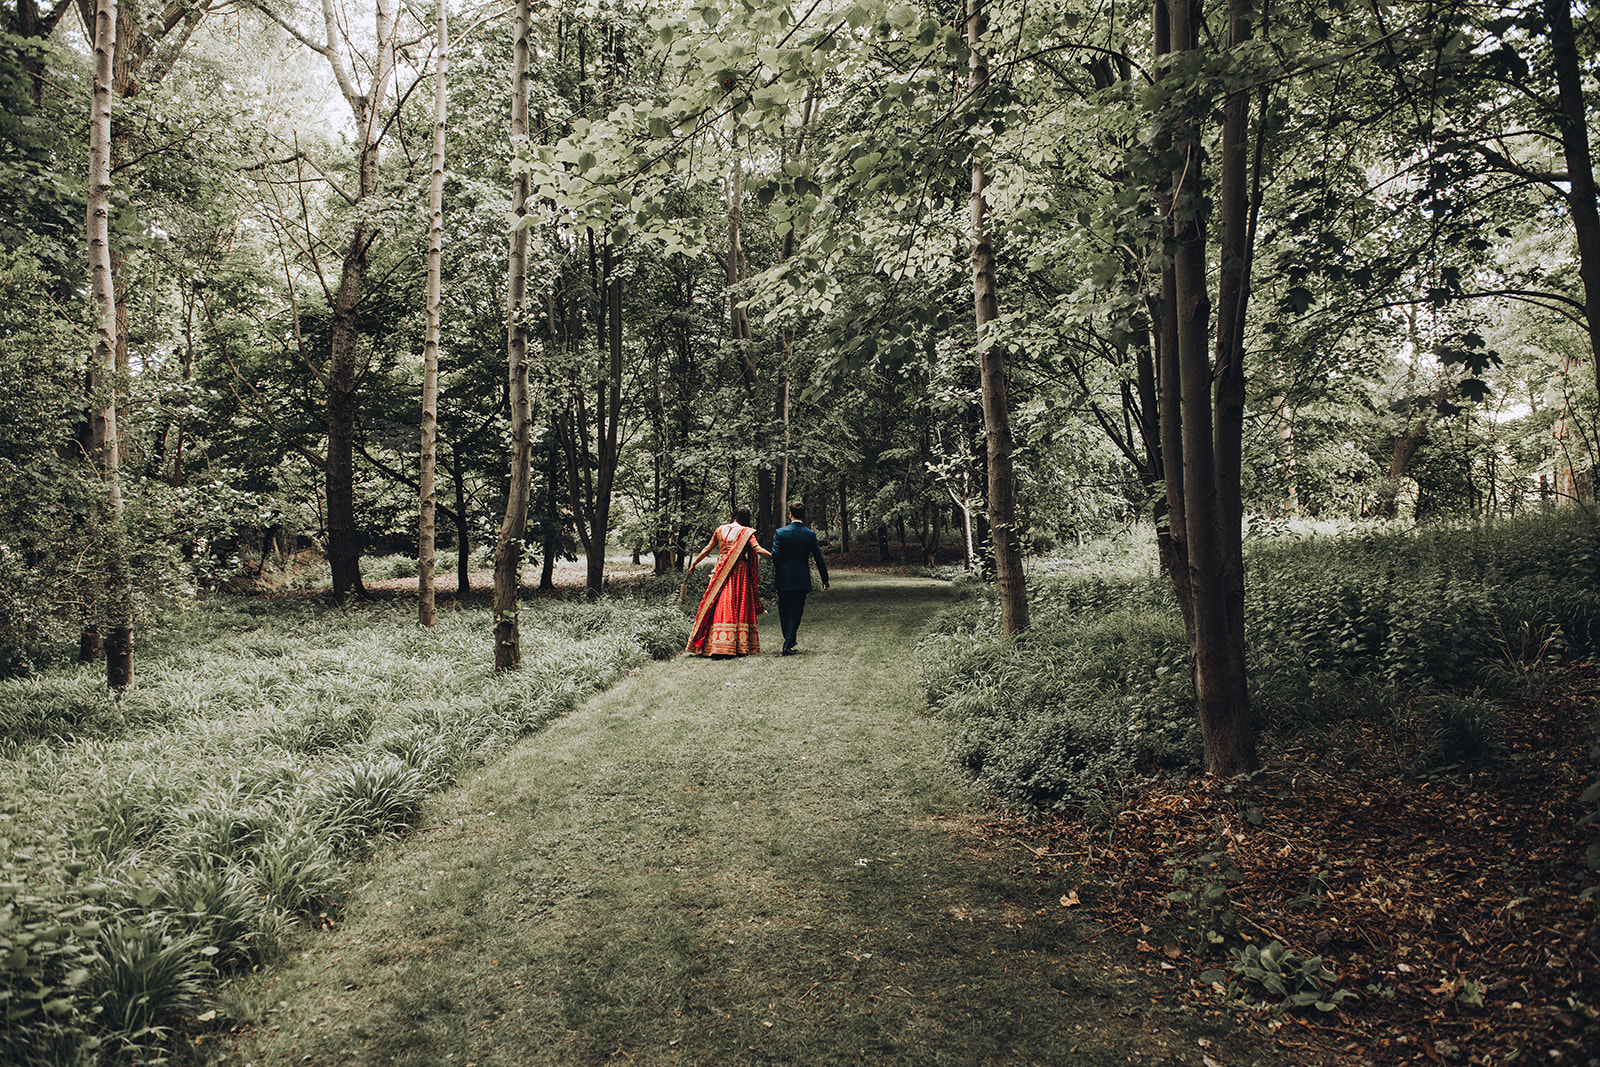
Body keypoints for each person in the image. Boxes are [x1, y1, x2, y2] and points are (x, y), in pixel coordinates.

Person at [683, 506, 771, 657]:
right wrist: (776, 556)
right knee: (737, 603)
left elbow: (707, 549)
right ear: (746, 518)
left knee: (718, 602)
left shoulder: (720, 529)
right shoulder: (746, 532)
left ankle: (715, 644)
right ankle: (735, 645)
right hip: (739, 571)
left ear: (734, 515)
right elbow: (757, 549)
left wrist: (694, 563)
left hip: (720, 568)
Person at [770, 500, 829, 655]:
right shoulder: (810, 535)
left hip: (783, 578)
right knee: (796, 611)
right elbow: (819, 558)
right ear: (804, 515)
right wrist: (825, 578)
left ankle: (788, 640)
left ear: (790, 514)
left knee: (784, 610)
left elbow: (775, 556)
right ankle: (788, 642)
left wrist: (781, 568)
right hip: (801, 578)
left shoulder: (780, 533)